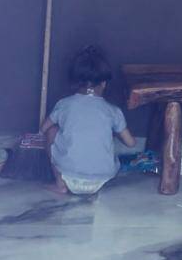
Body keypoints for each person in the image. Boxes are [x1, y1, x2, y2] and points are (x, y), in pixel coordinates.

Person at [41, 46, 136, 195]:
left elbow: (44, 129)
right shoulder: (113, 111)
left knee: (52, 131)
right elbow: (131, 143)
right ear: (104, 83)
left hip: (68, 175)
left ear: (75, 82)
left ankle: (60, 184)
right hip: (102, 179)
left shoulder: (64, 104)